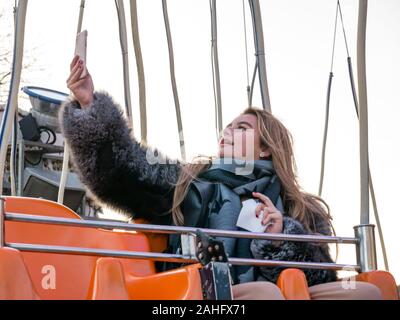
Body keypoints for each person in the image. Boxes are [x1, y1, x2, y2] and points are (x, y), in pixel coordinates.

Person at [59, 55, 382, 300]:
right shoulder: (187, 184)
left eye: (241, 128)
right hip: (200, 289)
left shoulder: (302, 209)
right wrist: (89, 107)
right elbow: (123, 169)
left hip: (286, 290)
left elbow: (321, 277)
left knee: (368, 293)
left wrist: (281, 237)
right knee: (264, 296)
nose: (227, 131)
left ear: (266, 149)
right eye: (227, 127)